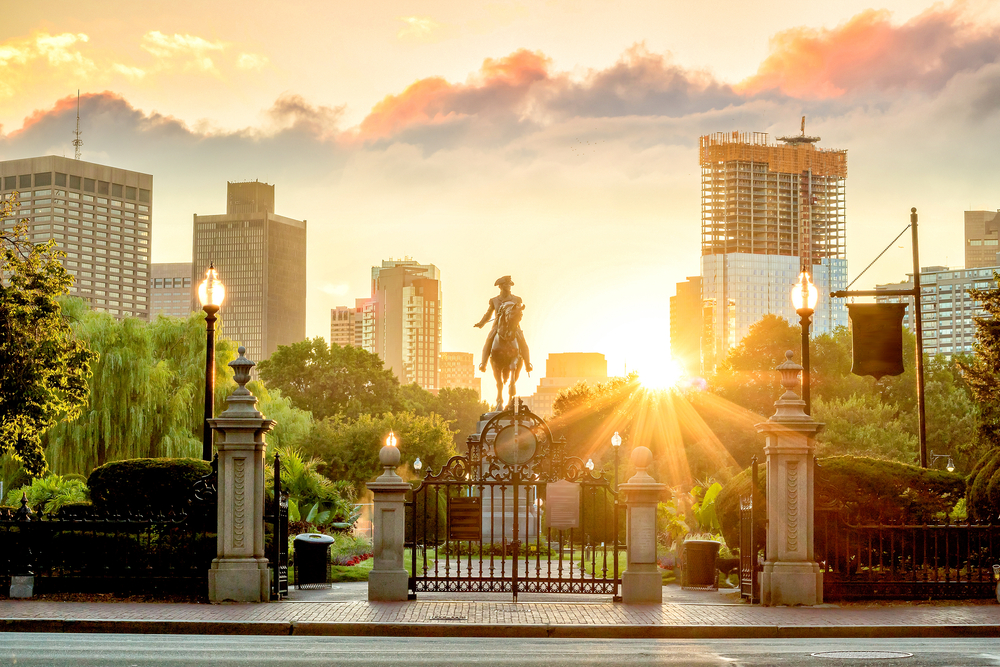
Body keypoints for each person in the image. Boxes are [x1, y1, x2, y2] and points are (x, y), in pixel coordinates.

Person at [474, 275, 532, 373]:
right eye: (506, 285)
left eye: (509, 285)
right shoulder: (494, 301)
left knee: (523, 341)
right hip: (498, 326)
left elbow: (519, 313)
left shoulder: (516, 299)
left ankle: (527, 364)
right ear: (500, 286)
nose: (508, 287)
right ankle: (483, 364)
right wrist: (481, 323)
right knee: (488, 340)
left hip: (513, 326)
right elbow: (488, 314)